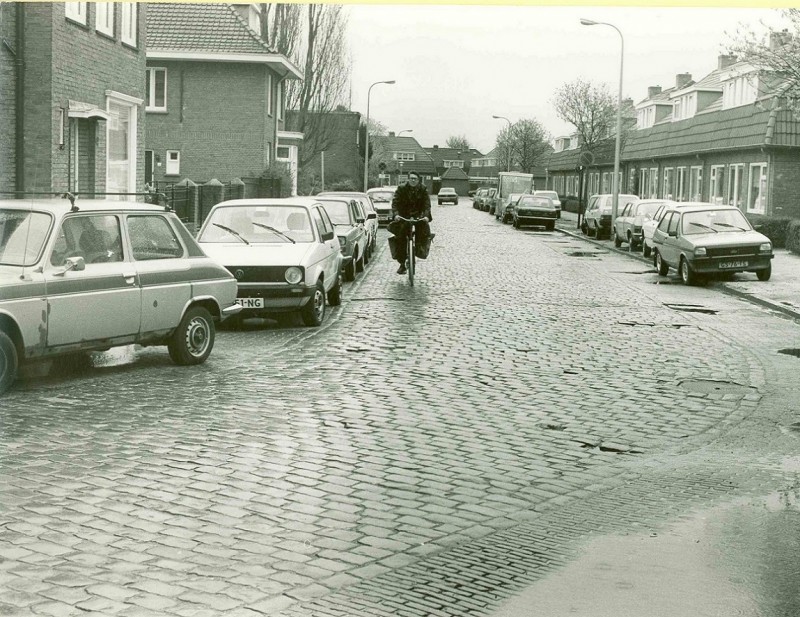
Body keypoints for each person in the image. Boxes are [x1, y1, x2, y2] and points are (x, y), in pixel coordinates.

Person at [387, 171, 433, 274]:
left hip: (419, 216)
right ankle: (402, 263)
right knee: (400, 238)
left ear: (418, 180)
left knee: (424, 234)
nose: (413, 180)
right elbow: (395, 203)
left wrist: (425, 216)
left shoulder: (423, 189)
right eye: (411, 178)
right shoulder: (401, 188)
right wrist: (396, 214)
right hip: (404, 216)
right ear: (408, 179)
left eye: (415, 179)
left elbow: (427, 205)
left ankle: (419, 251)